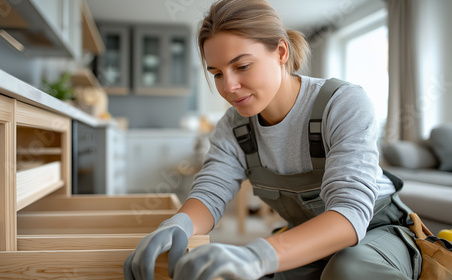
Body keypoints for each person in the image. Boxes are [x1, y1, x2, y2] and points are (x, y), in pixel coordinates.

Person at [123, 0, 421, 279]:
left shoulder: (343, 103)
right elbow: (211, 192)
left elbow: (350, 213)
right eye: (217, 73)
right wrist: (180, 224)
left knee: (348, 269)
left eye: (241, 66)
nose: (229, 86)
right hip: (307, 234)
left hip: (378, 229)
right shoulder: (233, 127)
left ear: (281, 52)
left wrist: (255, 255)